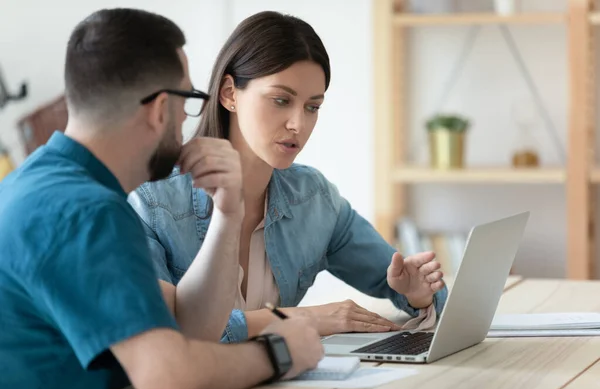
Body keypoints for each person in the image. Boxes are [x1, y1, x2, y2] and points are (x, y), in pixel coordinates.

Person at [0, 8, 323, 389]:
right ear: (159, 109)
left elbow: (188, 331)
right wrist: (281, 352)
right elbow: (168, 375)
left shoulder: (38, 182)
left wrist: (228, 213)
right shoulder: (87, 211)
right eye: (187, 99)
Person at [128, 10, 449, 344]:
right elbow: (162, 334)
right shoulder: (151, 203)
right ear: (229, 94)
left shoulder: (314, 200)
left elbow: (404, 282)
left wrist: (417, 294)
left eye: (312, 107)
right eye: (281, 100)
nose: (298, 124)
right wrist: (301, 318)